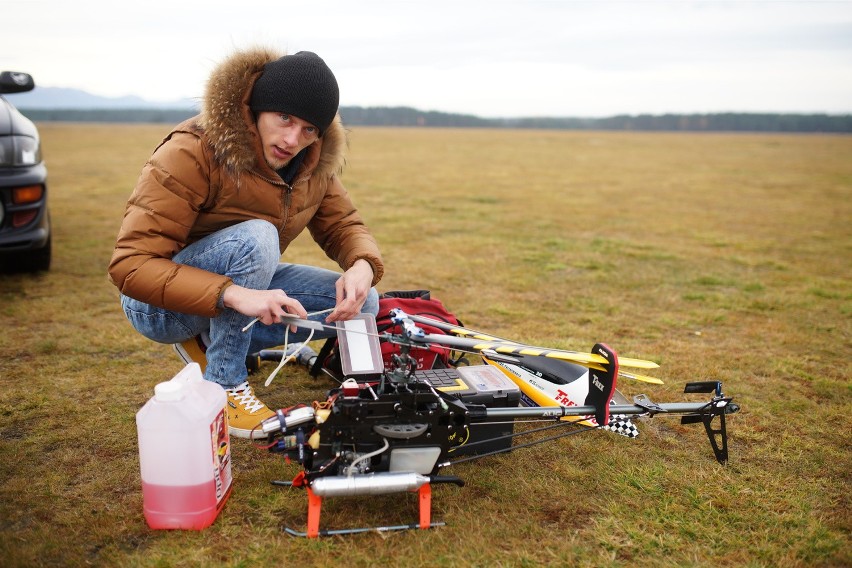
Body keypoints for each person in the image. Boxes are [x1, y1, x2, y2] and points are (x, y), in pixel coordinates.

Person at [108, 48, 383, 438]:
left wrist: (362, 265)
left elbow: (344, 224)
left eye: (308, 129)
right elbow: (130, 266)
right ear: (255, 108)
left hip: (229, 289)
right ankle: (225, 384)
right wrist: (234, 295)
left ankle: (215, 338)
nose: (292, 139)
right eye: (284, 118)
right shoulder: (193, 149)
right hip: (158, 307)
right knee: (258, 237)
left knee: (364, 302)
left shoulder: (310, 164)